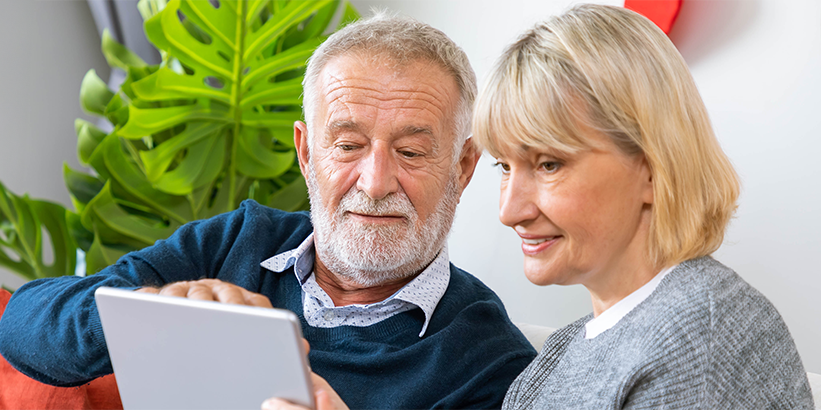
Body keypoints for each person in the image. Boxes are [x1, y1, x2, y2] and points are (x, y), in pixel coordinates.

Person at [0, 13, 536, 410]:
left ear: (463, 168)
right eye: (347, 146)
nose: (374, 184)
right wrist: (149, 309)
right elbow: (23, 323)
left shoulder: (489, 364)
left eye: (412, 153)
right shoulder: (239, 242)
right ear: (305, 153)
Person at [468, 4, 814, 409]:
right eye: (504, 167)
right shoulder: (564, 351)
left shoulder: (699, 344)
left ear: (652, 168)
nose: (509, 212)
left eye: (549, 164)